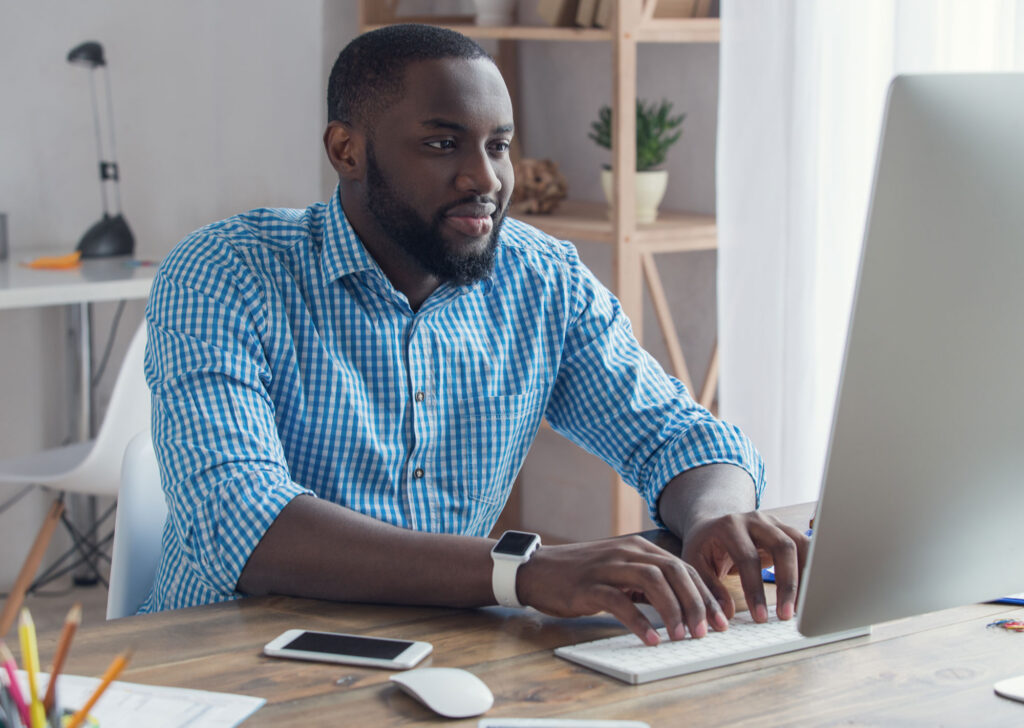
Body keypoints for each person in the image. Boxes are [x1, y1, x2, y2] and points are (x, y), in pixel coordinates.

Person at [142, 24, 807, 646]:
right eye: (442, 143)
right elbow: (242, 523)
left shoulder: (541, 278)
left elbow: (678, 436)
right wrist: (526, 569)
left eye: (498, 146)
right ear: (347, 150)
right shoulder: (226, 272)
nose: (486, 179)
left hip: (433, 652)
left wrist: (717, 514)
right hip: (220, 660)